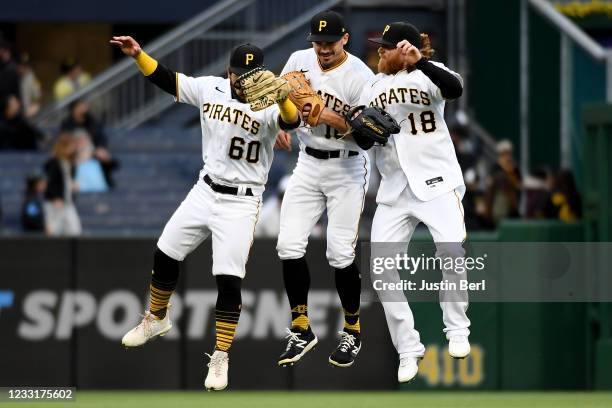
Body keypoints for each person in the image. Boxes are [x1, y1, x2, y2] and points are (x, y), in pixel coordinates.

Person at [110, 35, 300, 391]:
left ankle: (221, 355)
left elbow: (291, 122)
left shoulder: (270, 100)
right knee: (166, 251)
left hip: (242, 201)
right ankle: (156, 318)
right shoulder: (210, 88)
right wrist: (139, 55)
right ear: (228, 72)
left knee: (228, 279)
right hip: (206, 187)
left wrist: (284, 99)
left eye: (251, 74)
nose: (244, 81)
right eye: (239, 74)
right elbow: (169, 79)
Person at [362, 22, 470, 383]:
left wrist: (421, 61)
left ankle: (457, 328)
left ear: (403, 49)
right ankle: (408, 348)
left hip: (437, 183)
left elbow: (454, 89)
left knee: (451, 252)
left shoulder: (431, 75)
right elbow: (364, 140)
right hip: (394, 188)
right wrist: (362, 130)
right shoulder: (372, 86)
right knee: (381, 270)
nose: (380, 51)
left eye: (385, 47)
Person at [274, 10, 375, 368]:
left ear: (345, 38)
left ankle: (352, 330)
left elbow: (367, 135)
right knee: (287, 244)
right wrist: (281, 120)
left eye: (330, 42)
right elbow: (282, 100)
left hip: (347, 167)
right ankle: (301, 328)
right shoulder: (300, 60)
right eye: (318, 42)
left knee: (339, 253)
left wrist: (325, 114)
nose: (323, 49)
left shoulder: (361, 76)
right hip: (307, 161)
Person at [61, 100, 119, 188]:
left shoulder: (93, 122)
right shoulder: (67, 124)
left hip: (93, 157)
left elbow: (113, 164)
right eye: (81, 106)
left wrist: (100, 151)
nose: (84, 109)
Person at [43, 133, 82, 236]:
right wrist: (55, 197)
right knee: (53, 230)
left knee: (74, 230)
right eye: (71, 146)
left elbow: (69, 180)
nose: (73, 149)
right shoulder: (53, 163)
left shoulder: (71, 164)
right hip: (55, 202)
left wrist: (73, 185)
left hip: (68, 202)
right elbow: (49, 183)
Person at [485, 140, 522, 226]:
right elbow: (490, 187)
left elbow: (519, 185)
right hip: (498, 205)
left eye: (509, 153)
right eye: (505, 154)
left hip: (512, 205)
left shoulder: (514, 169)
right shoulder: (495, 169)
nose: (508, 156)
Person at [17, 52, 42, 118]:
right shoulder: (22, 78)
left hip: (30, 114)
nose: (19, 68)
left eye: (21, 66)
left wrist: (31, 111)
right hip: (24, 112)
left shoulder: (31, 79)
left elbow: (38, 97)